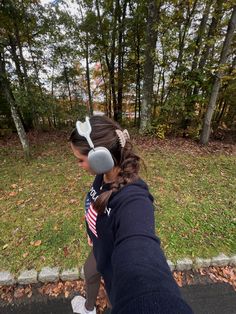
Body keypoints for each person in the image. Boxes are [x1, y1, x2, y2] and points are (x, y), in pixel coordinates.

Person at [70, 115, 193, 314]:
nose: (79, 165)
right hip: (98, 248)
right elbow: (96, 204)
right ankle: (88, 308)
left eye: (80, 160)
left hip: (115, 267)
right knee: (90, 271)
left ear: (99, 158)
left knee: (116, 298)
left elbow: (141, 254)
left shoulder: (134, 200)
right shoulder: (104, 175)